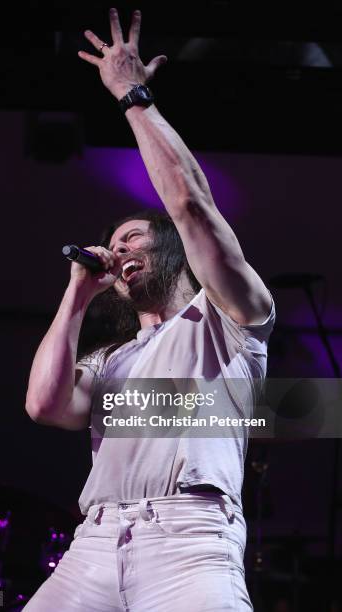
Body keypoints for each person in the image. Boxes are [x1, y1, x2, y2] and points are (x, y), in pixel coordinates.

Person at [23, 8, 275, 611]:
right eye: (114, 244)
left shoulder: (228, 321)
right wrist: (77, 295)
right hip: (94, 542)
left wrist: (132, 97)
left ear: (172, 251)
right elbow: (45, 405)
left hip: (189, 540)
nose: (118, 249)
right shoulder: (113, 358)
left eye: (133, 238)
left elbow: (189, 204)